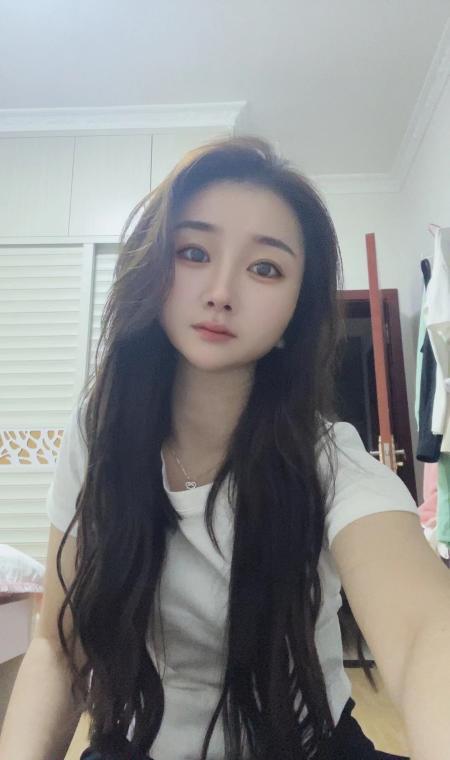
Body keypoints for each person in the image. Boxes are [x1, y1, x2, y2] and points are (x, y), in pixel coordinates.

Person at [1, 137, 450, 760]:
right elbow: (58, 646)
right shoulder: (100, 433)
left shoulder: (329, 457)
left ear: (297, 308)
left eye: (265, 268)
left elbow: (425, 631)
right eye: (193, 252)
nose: (220, 291)